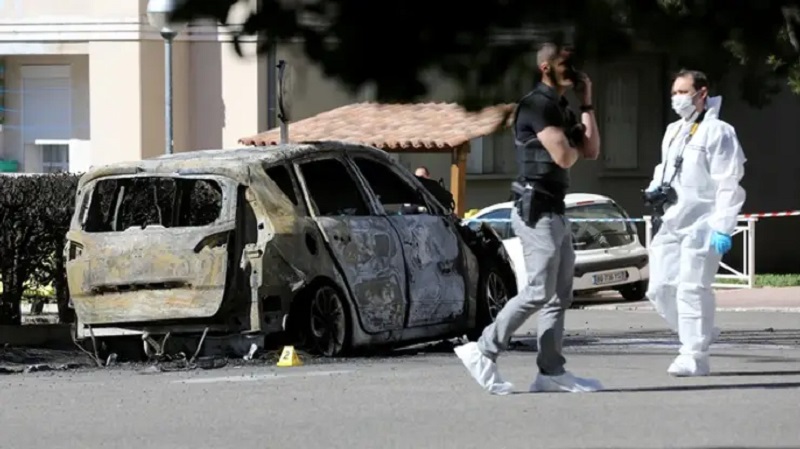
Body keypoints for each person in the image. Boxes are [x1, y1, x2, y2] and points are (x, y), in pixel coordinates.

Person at [454, 43, 603, 394]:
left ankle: (551, 372)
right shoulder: (536, 106)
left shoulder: (561, 108)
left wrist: (588, 101)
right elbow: (566, 157)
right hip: (536, 210)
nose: (573, 69)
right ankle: (483, 349)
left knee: (559, 296)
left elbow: (592, 150)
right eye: (565, 63)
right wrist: (573, 139)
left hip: (555, 208)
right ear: (546, 67)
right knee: (539, 291)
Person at [644, 69, 746, 377]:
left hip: (704, 221)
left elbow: (729, 181)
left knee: (691, 288)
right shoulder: (674, 130)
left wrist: (723, 226)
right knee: (659, 288)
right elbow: (665, 167)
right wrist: (654, 186)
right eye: (674, 92)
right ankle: (701, 329)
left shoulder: (719, 131)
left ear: (702, 93)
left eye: (683, 92)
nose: (677, 98)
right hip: (673, 218)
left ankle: (694, 354)